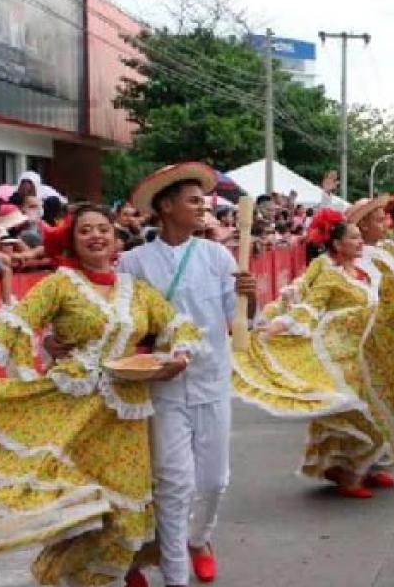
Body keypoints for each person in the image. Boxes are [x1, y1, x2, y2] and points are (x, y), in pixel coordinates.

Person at [0, 204, 203, 586]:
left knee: (127, 516)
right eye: (85, 231)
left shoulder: (138, 291)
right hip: (72, 411)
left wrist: (178, 356)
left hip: (124, 417)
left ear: (116, 239)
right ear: (73, 241)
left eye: (103, 229)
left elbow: (177, 326)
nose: (96, 236)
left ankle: (116, 567)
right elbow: (15, 323)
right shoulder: (59, 284)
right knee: (79, 512)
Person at [113, 163, 257, 587]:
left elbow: (237, 319)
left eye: (203, 200)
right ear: (166, 206)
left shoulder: (216, 255)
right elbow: (122, 323)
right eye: (193, 200)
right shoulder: (134, 262)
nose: (202, 207)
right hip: (164, 387)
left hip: (211, 378)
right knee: (174, 484)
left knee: (214, 479)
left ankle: (200, 539)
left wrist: (251, 296)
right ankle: (176, 575)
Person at [232, 207, 393, 500]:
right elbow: (310, 307)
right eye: (354, 238)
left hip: (367, 354)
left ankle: (357, 466)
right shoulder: (329, 273)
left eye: (360, 237)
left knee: (375, 409)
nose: (360, 242)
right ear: (337, 244)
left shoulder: (364, 270)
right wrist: (278, 326)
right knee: (358, 410)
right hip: (338, 356)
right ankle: (349, 473)